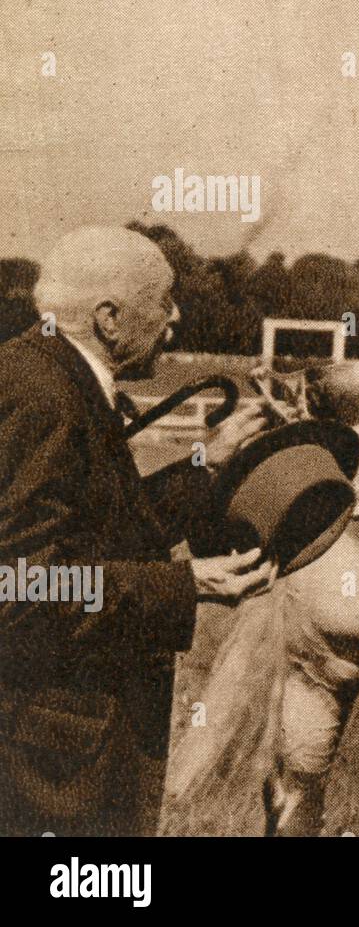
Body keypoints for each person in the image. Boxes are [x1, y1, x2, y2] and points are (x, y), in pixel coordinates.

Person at [0, 226, 273, 835]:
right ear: (110, 319)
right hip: (49, 767)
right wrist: (184, 585)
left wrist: (210, 459)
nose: (175, 317)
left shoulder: (44, 371)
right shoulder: (45, 396)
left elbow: (102, 527)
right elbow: (22, 587)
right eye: (163, 300)